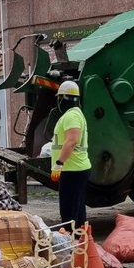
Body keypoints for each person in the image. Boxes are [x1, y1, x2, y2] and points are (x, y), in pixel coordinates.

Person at [50, 79, 91, 229]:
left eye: (60, 98)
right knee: (77, 209)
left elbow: (71, 141)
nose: (59, 101)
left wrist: (58, 164)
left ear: (65, 98)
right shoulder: (76, 114)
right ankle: (79, 242)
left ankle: (71, 245)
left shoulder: (71, 116)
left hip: (72, 170)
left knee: (69, 212)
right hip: (76, 169)